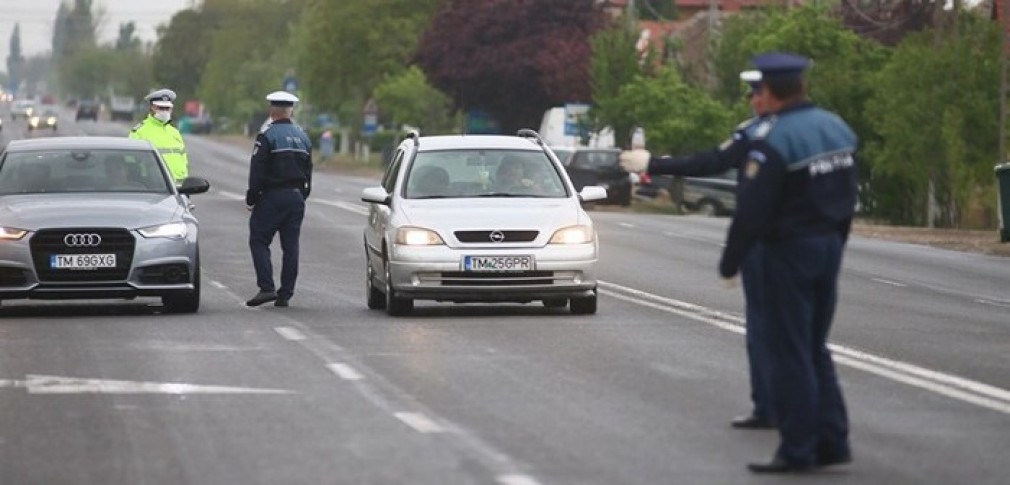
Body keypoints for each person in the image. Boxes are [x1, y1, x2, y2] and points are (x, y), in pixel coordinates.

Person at [718, 52, 857, 473]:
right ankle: (833, 441)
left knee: (790, 351)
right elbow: (847, 198)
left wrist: (730, 262)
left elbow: (752, 212)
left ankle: (797, 449)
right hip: (828, 245)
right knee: (815, 346)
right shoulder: (837, 128)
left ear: (770, 92)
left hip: (789, 253)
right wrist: (836, 241)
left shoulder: (774, 140)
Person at [620, 70, 777, 431]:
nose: (753, 100)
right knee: (808, 340)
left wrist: (653, 165)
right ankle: (818, 426)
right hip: (820, 246)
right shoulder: (828, 128)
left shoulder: (761, 134)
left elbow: (711, 165)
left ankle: (789, 426)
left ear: (775, 94)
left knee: (772, 333)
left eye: (759, 93)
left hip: (773, 248)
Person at [245, 91, 313, 308]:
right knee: (290, 246)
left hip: (273, 196)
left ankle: (266, 287)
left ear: (272, 111)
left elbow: (257, 169)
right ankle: (285, 294)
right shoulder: (303, 137)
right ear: (290, 110)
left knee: (259, 239)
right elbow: (309, 172)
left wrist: (252, 197)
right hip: (296, 198)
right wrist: (301, 197)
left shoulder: (267, 136)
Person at [129, 89, 189, 184]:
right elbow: (130, 163)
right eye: (161, 108)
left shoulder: (175, 132)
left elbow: (184, 161)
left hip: (180, 189)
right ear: (152, 107)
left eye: (167, 108)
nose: (165, 111)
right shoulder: (140, 132)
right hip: (153, 187)